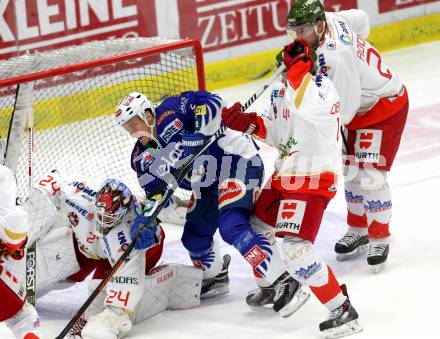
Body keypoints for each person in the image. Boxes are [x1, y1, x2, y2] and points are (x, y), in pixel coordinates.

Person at [115, 89, 307, 315]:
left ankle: (283, 280)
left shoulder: (172, 109)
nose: (131, 132)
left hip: (237, 163)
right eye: (127, 128)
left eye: (133, 124)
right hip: (207, 185)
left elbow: (213, 101)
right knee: (194, 237)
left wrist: (201, 132)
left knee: (232, 226)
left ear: (148, 115)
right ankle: (216, 277)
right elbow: (156, 194)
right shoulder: (141, 158)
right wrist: (147, 218)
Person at [222, 39, 362, 338]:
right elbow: (275, 133)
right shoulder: (279, 90)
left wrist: (299, 72)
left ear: (304, 65)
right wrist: (245, 123)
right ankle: (273, 284)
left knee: (297, 250)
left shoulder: (322, 88)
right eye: (283, 69)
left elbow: (307, 109)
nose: (284, 74)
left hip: (312, 177)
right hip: (285, 174)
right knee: (255, 227)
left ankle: (342, 310)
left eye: (290, 69)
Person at [285, 0, 409, 272]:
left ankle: (380, 235)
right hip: (363, 104)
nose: (297, 37)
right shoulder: (330, 19)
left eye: (302, 30)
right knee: (351, 170)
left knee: (370, 173)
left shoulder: (335, 58)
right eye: (294, 30)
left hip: (383, 106)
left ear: (318, 26)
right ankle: (358, 228)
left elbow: (346, 113)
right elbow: (362, 18)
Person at [8, 170, 203, 339]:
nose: (103, 221)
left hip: (143, 248)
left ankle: (115, 313)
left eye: (109, 217)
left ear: (123, 212)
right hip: (90, 245)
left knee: (97, 306)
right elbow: (53, 182)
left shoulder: (127, 234)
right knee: (49, 262)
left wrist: (115, 313)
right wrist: (25, 230)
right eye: (101, 215)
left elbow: (127, 277)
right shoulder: (81, 197)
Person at [0, 165, 42, 339]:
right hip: (11, 232)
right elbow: (15, 231)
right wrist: (14, 246)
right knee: (24, 318)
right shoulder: (4, 173)